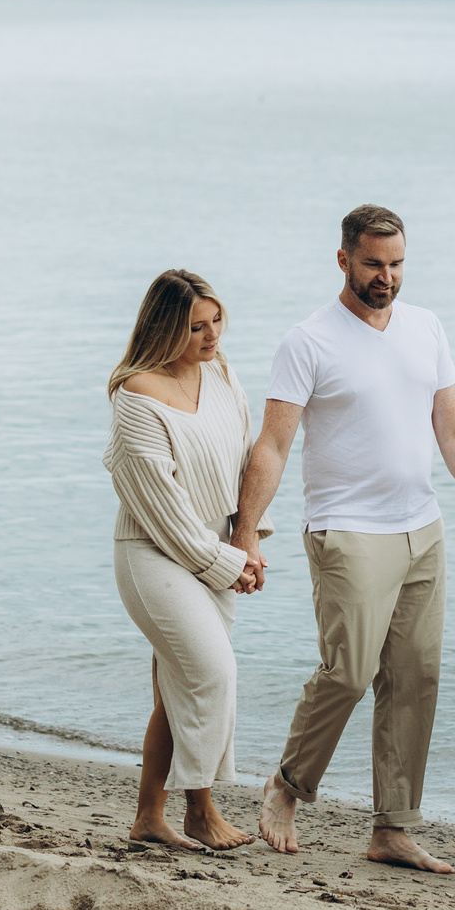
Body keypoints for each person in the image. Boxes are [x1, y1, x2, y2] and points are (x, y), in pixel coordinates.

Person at [230, 205, 455, 871]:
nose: (385, 277)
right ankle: (287, 784)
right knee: (350, 671)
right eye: (372, 264)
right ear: (343, 260)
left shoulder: (426, 327)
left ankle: (392, 826)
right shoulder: (309, 340)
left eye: (395, 265)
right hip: (347, 530)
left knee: (416, 676)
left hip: (423, 528)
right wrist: (248, 531)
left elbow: (454, 430)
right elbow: (273, 444)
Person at [106, 269, 270, 850]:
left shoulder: (222, 377)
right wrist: (228, 564)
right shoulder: (137, 397)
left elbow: (245, 463)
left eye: (216, 321)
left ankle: (150, 817)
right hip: (153, 556)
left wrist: (249, 540)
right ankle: (201, 810)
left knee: (176, 688)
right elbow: (166, 512)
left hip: (215, 553)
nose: (211, 336)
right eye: (195, 327)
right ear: (164, 328)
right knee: (211, 672)